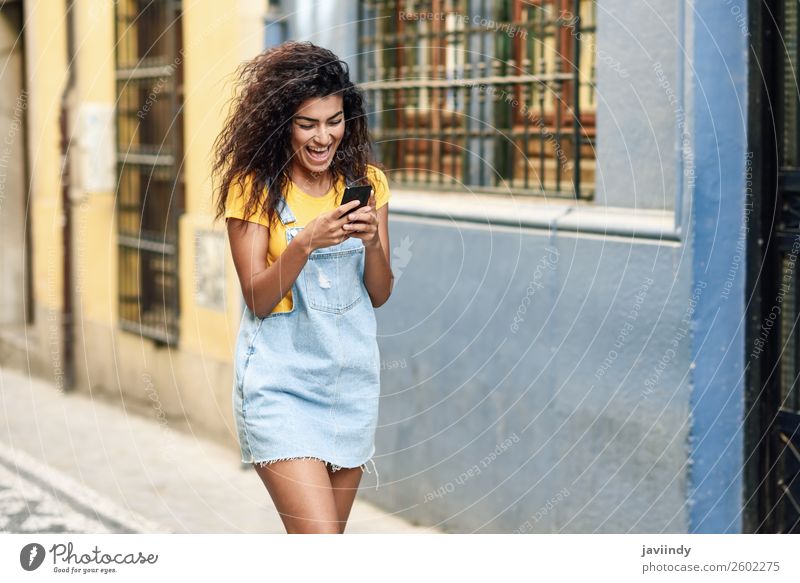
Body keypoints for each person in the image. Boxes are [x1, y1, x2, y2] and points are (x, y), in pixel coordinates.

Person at [211, 41, 394, 534]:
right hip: (282, 388)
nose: (323, 137)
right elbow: (258, 297)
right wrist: (305, 242)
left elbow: (380, 293)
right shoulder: (253, 190)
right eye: (306, 124)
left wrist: (373, 243)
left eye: (333, 121)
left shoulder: (367, 183)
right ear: (281, 124)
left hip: (351, 384)